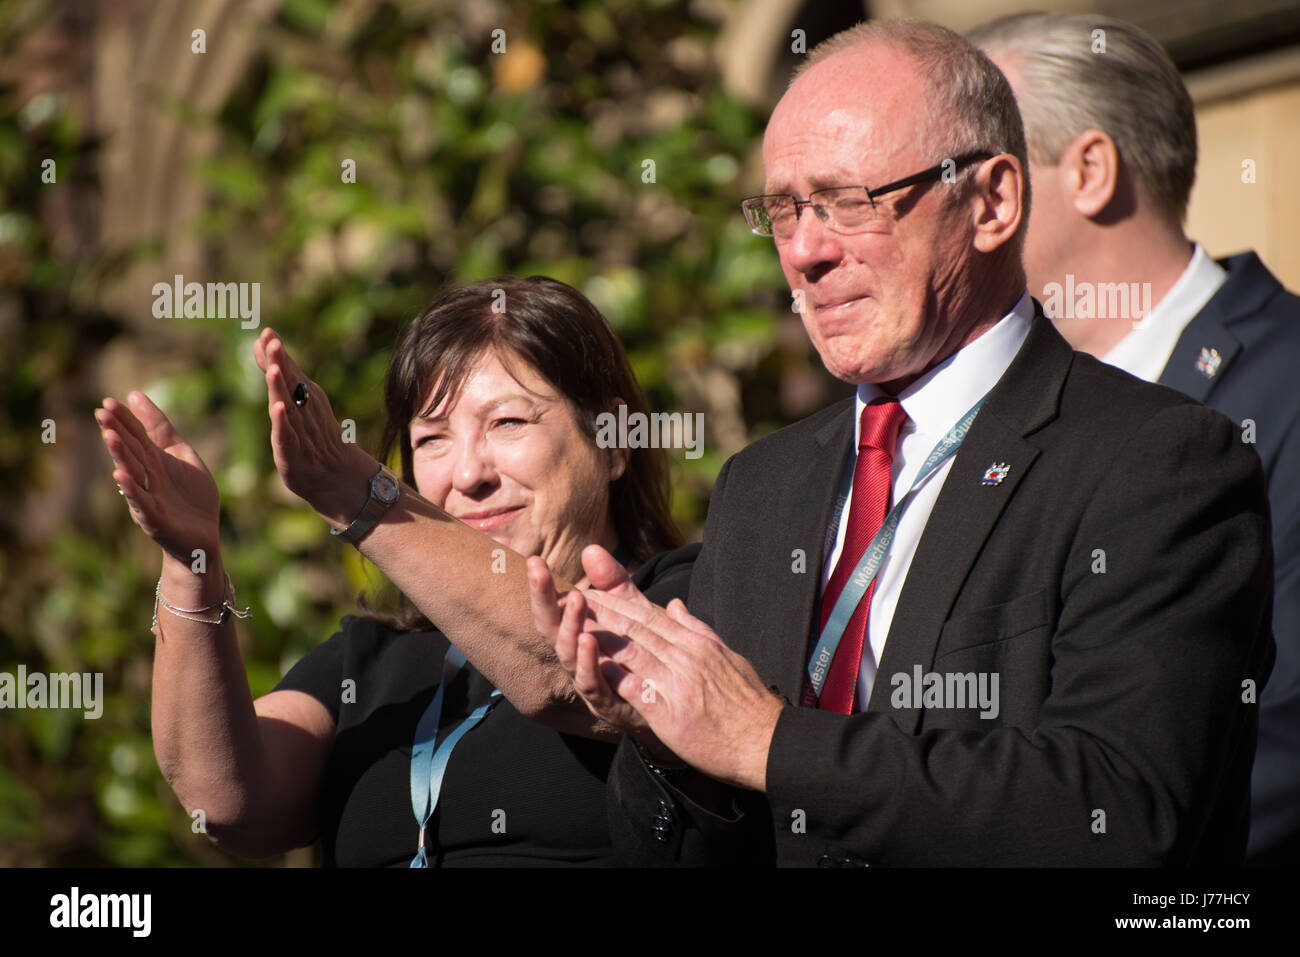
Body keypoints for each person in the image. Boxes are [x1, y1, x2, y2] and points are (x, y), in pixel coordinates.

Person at [529, 19, 1274, 866]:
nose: (805, 252)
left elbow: (1120, 806)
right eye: (783, 210)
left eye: (849, 201)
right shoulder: (762, 484)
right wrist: (667, 735)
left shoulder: (1158, 461)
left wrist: (767, 740)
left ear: (992, 202)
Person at [95, 276, 693, 866]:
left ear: (614, 442)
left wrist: (351, 493)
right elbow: (227, 801)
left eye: (508, 423)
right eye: (432, 439)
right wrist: (190, 559)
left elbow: (563, 671)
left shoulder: (689, 600)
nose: (467, 475)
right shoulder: (374, 657)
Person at [966, 12, 1300, 866]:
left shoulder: (1285, 386)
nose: (944, 213)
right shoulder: (980, 420)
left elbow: (1278, 738)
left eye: (976, 175)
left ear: (1088, 170)